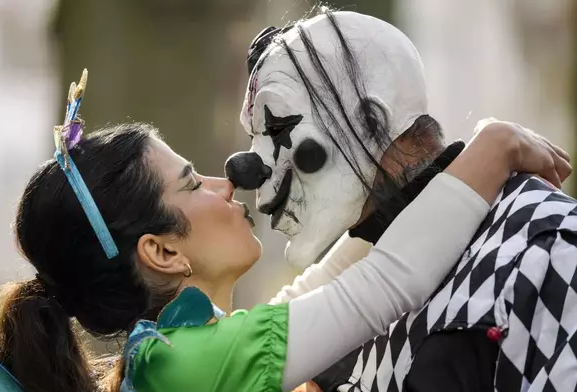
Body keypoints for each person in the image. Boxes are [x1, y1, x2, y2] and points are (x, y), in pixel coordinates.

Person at [0, 70, 570, 392]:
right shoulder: (187, 367)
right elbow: (386, 286)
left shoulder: (178, 354)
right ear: (161, 251)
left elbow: (331, 282)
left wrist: (411, 179)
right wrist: (494, 147)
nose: (226, 184)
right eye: (192, 185)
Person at [225, 9, 577, 392]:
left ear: (371, 121)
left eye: (276, 127)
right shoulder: (330, 324)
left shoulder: (548, 245)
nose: (249, 168)